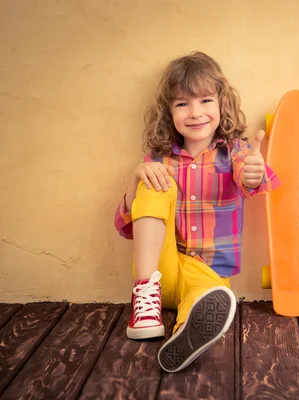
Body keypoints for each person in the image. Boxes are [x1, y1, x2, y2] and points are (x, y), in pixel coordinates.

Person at [113, 52, 280, 373]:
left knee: (207, 300)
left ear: (221, 104)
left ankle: (187, 333)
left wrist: (254, 172)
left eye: (205, 100)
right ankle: (145, 303)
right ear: (168, 113)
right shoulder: (159, 160)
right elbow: (126, 227)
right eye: (182, 104)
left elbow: (252, 181)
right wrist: (137, 177)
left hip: (208, 274)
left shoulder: (237, 153)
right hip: (162, 271)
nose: (195, 113)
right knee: (151, 177)